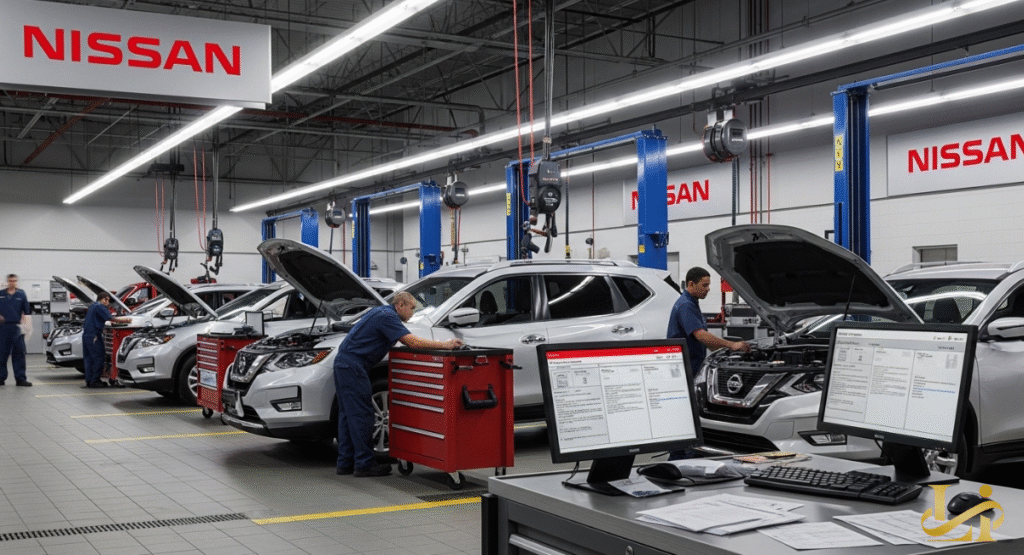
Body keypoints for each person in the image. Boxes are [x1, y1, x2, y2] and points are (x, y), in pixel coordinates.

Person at [333, 291, 463, 477]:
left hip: (343, 364)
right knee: (362, 415)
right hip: (353, 366)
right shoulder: (388, 317)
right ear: (400, 305)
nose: (412, 312)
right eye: (411, 308)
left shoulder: (380, 313)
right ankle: (364, 464)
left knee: (347, 415)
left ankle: (345, 463)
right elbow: (412, 342)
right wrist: (446, 345)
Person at [667, 267, 749, 460]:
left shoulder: (692, 303)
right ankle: (681, 459)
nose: (708, 289)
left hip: (690, 367)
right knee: (685, 418)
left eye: (709, 285)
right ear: (690, 284)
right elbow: (701, 335)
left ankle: (682, 455)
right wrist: (732, 345)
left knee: (687, 416)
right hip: (682, 370)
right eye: (704, 285)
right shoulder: (685, 305)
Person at [0, 274, 32, 387]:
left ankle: (20, 379)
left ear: (16, 282)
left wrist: (26, 327)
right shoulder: (1, 294)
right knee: (2, 354)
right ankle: (0, 378)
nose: (12, 282)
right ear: (7, 281)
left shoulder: (21, 294)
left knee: (19, 354)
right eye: (10, 281)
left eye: (14, 281)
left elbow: (27, 311)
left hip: (17, 328)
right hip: (3, 328)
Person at [82, 291, 114, 388]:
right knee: (98, 357)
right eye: (106, 299)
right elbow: (109, 317)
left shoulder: (92, 306)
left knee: (89, 359)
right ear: (101, 299)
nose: (107, 302)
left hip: (86, 335)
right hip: (94, 335)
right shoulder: (99, 306)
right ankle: (95, 381)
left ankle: (89, 380)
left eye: (108, 300)